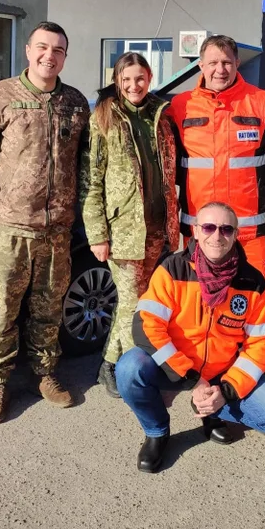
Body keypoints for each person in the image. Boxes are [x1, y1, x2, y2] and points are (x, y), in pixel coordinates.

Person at [0, 21, 90, 424]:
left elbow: (87, 163)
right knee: (1, 311)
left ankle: (46, 374)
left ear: (65, 56)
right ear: (29, 50)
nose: (49, 56)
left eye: (58, 50)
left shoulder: (75, 102)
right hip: (10, 229)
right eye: (42, 47)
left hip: (57, 232)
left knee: (49, 310)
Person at [116, 202, 265, 473]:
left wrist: (225, 391)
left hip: (224, 373)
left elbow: (262, 342)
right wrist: (192, 380)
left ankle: (211, 409)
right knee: (129, 367)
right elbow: (146, 325)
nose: (217, 236)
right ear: (196, 232)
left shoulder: (253, 282)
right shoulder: (172, 270)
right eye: (209, 227)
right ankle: (157, 432)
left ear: (236, 235)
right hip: (179, 368)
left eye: (226, 229)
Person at [80, 52, 180, 398]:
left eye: (139, 78)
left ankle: (119, 363)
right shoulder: (104, 117)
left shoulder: (161, 116)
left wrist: (174, 225)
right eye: (126, 79)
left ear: (149, 78)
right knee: (131, 302)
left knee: (148, 301)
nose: (133, 85)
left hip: (158, 227)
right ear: (117, 80)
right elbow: (91, 181)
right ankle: (118, 368)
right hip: (123, 230)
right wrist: (97, 233)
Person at [169, 35, 265, 275]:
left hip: (247, 233)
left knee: (254, 297)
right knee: (199, 299)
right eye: (213, 63)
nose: (220, 70)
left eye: (226, 62)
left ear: (237, 63)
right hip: (201, 230)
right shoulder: (180, 106)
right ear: (201, 65)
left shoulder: (262, 102)